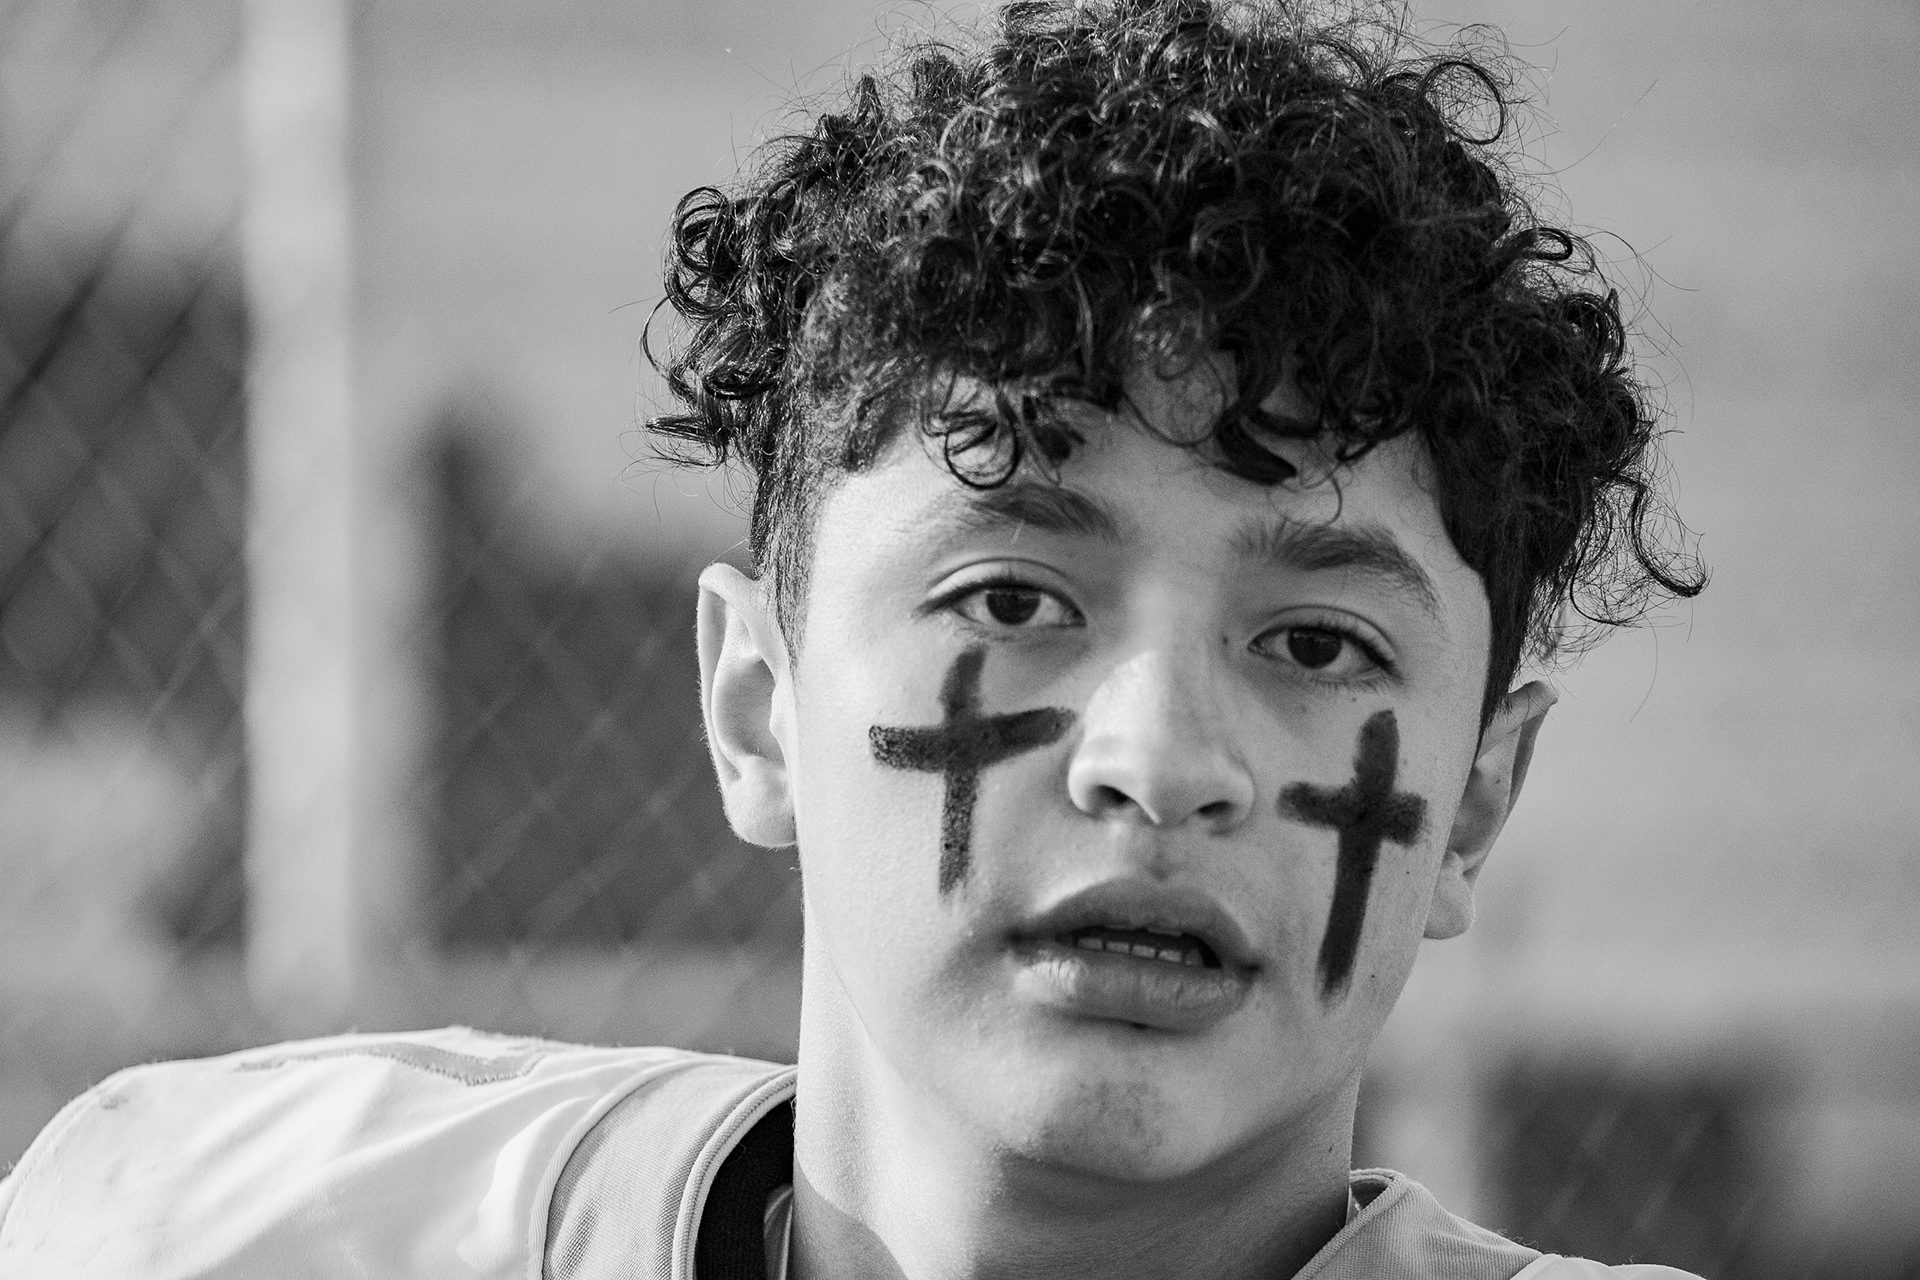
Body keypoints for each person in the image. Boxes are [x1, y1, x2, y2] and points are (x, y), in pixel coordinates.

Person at [0, 1, 1708, 1276]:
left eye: (1321, 646)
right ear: (756, 705)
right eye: (1013, 601)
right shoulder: (218, 1231)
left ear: (1476, 803)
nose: (1160, 762)